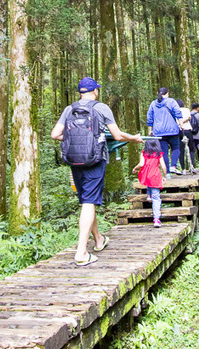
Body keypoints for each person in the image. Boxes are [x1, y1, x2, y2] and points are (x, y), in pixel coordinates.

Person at [51, 77, 143, 266]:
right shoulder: (101, 108)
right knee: (89, 202)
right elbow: (117, 135)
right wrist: (134, 139)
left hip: (74, 161)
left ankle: (98, 239)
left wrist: (76, 141)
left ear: (79, 93)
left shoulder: (69, 109)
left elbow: (55, 134)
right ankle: (81, 252)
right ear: (95, 92)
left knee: (87, 201)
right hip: (94, 160)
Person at [147, 87, 183, 175]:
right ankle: (173, 166)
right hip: (172, 130)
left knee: (164, 152)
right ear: (167, 93)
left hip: (159, 132)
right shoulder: (171, 101)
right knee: (176, 148)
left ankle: (167, 173)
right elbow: (178, 113)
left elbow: (149, 118)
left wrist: (150, 130)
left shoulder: (153, 104)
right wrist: (181, 125)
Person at [131, 138, 166, 227]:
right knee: (156, 198)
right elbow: (163, 166)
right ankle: (156, 219)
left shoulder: (144, 153)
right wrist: (164, 176)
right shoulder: (159, 154)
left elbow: (141, 164)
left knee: (148, 182)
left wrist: (135, 168)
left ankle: (149, 195)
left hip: (146, 174)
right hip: (155, 175)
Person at [178, 98, 196, 174]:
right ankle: (192, 166)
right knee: (191, 148)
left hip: (180, 130)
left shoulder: (175, 110)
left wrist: (180, 123)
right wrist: (183, 122)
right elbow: (189, 117)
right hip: (188, 130)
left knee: (181, 150)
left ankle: (183, 169)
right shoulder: (186, 110)